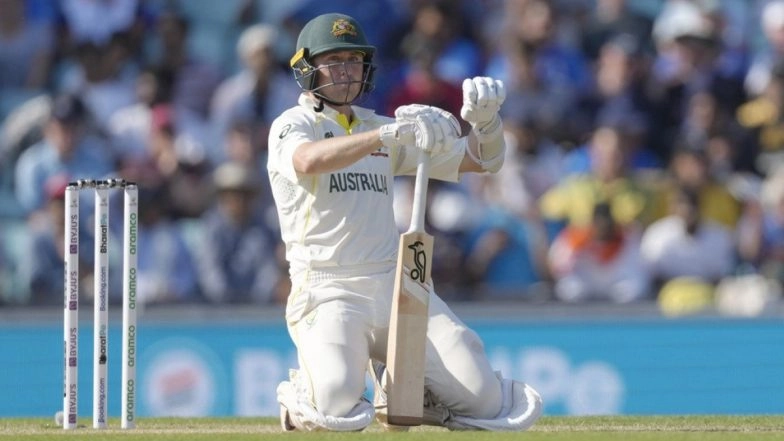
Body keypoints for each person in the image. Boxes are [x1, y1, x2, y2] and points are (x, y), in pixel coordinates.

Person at [268, 13, 542, 432]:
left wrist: (485, 123)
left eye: (354, 60)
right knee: (337, 404)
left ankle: (416, 393)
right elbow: (307, 160)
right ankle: (300, 393)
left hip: (394, 285)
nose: (346, 71)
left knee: (485, 400)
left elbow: (481, 161)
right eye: (334, 60)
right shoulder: (294, 124)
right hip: (327, 289)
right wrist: (385, 137)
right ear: (306, 69)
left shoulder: (381, 126)